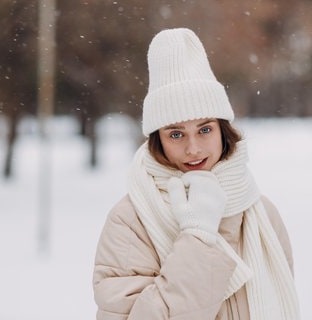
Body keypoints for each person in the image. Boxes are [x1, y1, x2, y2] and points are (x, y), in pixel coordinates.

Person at [92, 28, 300, 319]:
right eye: (176, 134)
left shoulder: (262, 214)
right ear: (157, 140)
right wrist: (198, 238)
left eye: (204, 129)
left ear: (222, 130)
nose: (193, 148)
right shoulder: (130, 221)